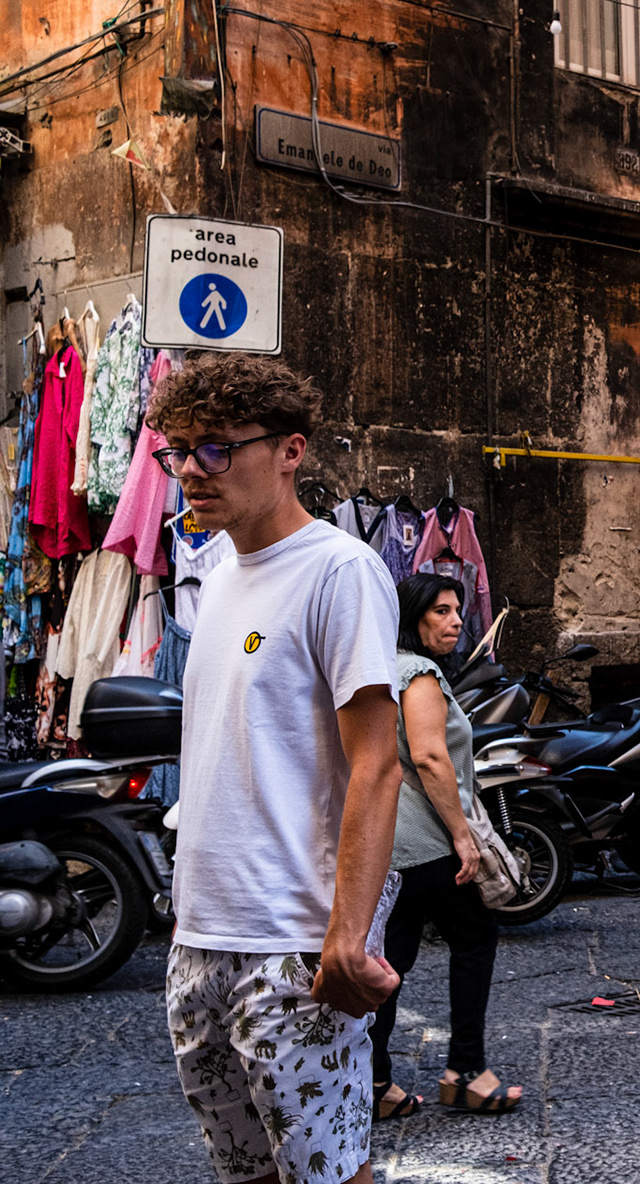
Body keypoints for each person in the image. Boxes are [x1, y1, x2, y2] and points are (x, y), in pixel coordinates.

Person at [154, 355, 402, 1184]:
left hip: (291, 942)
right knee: (247, 1174)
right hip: (201, 938)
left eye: (217, 448)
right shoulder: (219, 576)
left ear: (291, 450)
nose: (192, 470)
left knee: (325, 1174)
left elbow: (378, 764)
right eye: (179, 450)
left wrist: (347, 936)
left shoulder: (340, 571)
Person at [367, 573, 522, 1118]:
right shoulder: (419, 674)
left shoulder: (378, 668)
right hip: (426, 841)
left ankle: (374, 1083)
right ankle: (466, 1072)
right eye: (441, 611)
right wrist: (462, 835)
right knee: (476, 935)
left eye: (457, 610)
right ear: (414, 618)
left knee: (390, 962)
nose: (456, 621)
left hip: (388, 841)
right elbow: (430, 758)